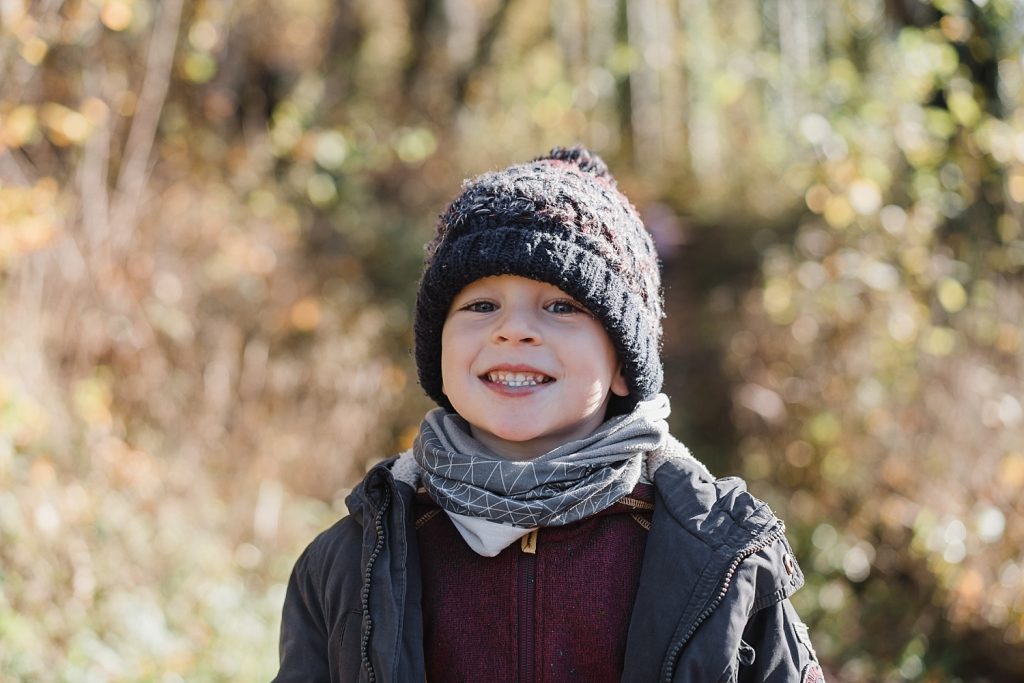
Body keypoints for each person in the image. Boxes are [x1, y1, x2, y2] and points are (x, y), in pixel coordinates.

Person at [272, 146, 825, 682]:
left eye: (561, 306)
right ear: (437, 354)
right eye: (481, 305)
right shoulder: (354, 562)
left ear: (622, 366)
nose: (513, 330)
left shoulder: (719, 555)